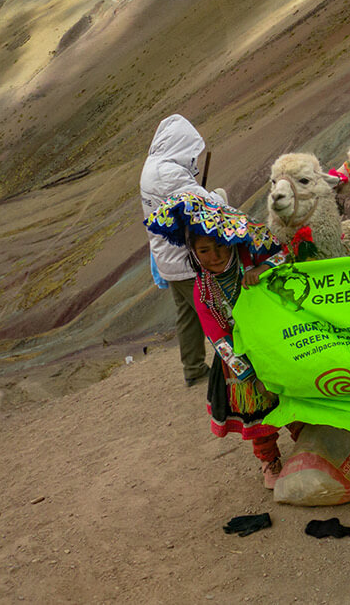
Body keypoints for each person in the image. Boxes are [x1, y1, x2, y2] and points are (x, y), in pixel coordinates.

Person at [144, 193, 292, 487]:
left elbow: (285, 254)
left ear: (231, 240)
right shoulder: (203, 289)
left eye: (220, 245)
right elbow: (216, 335)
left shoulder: (250, 257)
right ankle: (269, 460)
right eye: (204, 250)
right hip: (240, 358)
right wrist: (247, 372)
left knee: (295, 395)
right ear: (194, 254)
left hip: (275, 342)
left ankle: (311, 443)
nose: (215, 255)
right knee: (258, 413)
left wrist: (262, 269)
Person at [139, 114, 225, 387]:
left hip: (167, 259)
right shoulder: (169, 173)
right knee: (215, 310)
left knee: (188, 315)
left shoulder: (152, 167)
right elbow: (205, 205)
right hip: (185, 259)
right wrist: (219, 195)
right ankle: (235, 367)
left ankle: (193, 368)